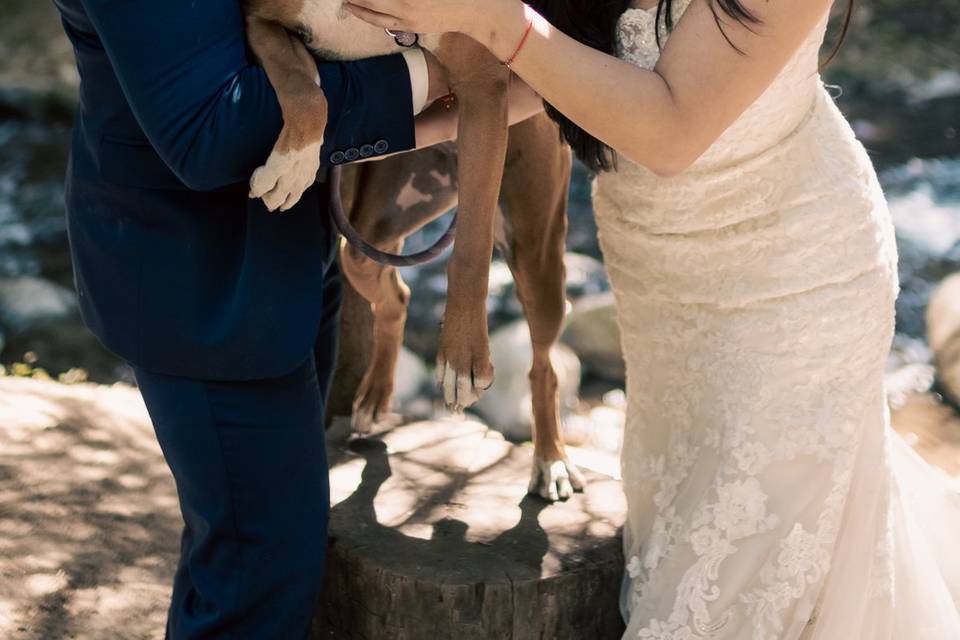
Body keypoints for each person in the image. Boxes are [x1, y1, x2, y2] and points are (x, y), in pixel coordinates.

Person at [346, 0, 960, 637]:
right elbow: (543, 79)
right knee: (694, 535)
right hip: (660, 295)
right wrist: (349, 130)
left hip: (790, 289)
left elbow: (668, 132)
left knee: (734, 581)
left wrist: (497, 22)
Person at [48, 0, 531, 636]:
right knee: (262, 568)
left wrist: (454, 110)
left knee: (236, 548)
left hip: (289, 254)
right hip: (204, 287)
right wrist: (439, 74)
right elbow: (209, 127)